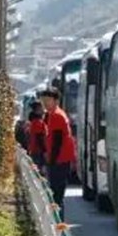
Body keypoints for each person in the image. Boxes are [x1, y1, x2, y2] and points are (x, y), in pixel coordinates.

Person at [39, 88, 75, 218]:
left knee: (56, 196)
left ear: (56, 101)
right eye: (43, 100)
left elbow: (57, 142)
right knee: (57, 195)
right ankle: (58, 221)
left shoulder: (57, 116)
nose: (45, 103)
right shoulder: (53, 114)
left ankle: (58, 222)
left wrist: (50, 162)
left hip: (59, 161)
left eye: (48, 100)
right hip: (60, 160)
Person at [27, 101, 47, 170]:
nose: (43, 110)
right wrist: (44, 151)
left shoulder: (33, 121)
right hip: (38, 152)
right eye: (42, 108)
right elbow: (40, 138)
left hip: (35, 151)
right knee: (39, 171)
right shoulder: (38, 122)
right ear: (37, 110)